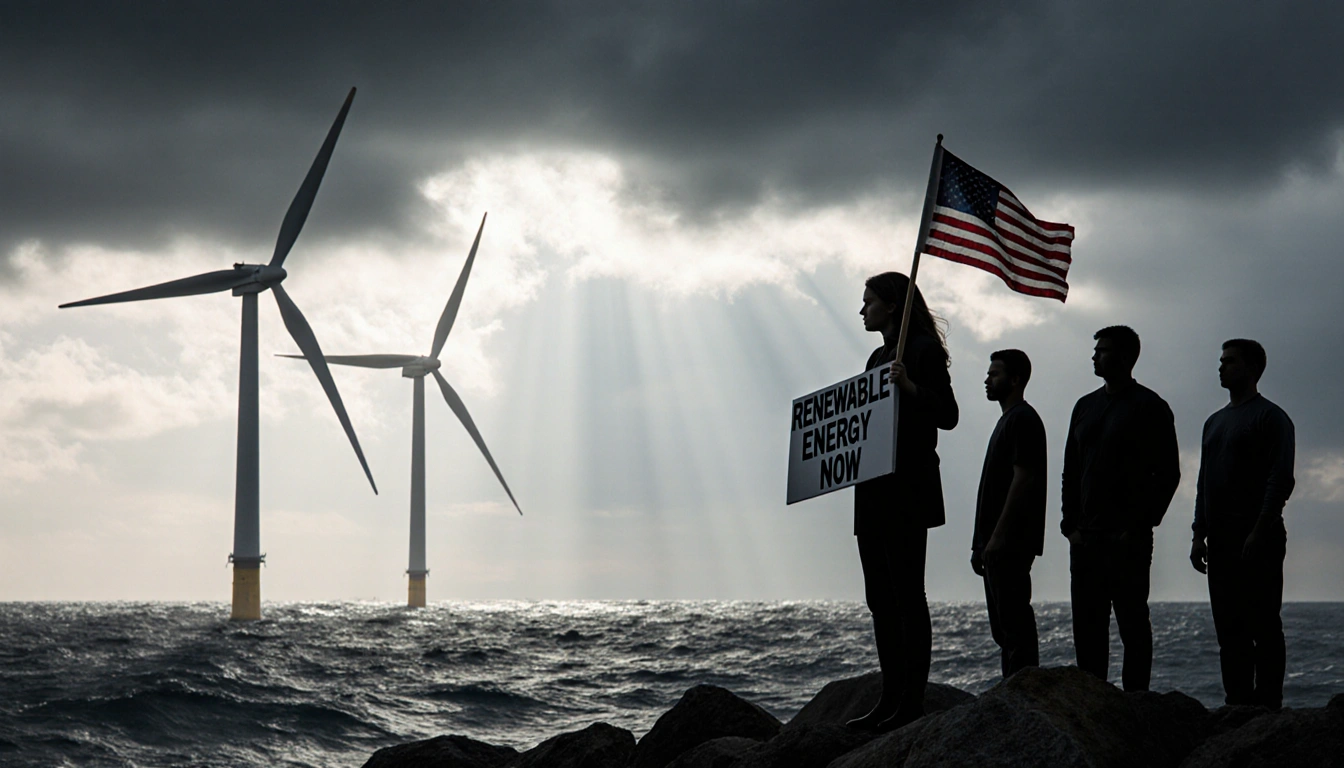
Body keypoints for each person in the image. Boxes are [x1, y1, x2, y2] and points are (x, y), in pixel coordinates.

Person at [847, 271, 959, 731]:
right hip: (872, 490)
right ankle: (890, 694)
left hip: (907, 488)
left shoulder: (922, 352)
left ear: (892, 305)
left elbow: (949, 415)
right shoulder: (877, 355)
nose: (862, 310)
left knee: (907, 595)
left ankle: (911, 701)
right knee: (879, 597)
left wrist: (912, 388)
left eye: (869, 301)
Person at [1061, 325, 1180, 691]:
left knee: (1132, 623)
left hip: (1126, 539)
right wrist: (1070, 525)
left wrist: (1140, 525)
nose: (1095, 356)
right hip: (1086, 539)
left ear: (1126, 357)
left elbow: (1169, 473)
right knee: (1087, 626)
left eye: (1104, 350)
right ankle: (1093, 700)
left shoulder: (1150, 406)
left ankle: (1136, 703)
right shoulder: (1084, 406)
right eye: (1096, 349)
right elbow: (1071, 468)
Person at [1190, 339, 1295, 709]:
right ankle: (1237, 704)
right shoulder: (1213, 422)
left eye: (1229, 361)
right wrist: (1197, 534)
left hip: (1258, 539)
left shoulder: (1271, 417)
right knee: (1229, 631)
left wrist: (1260, 529)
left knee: (1264, 626)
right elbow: (1204, 480)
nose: (1221, 367)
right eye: (1221, 361)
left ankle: (1268, 706)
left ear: (1251, 368)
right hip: (1219, 541)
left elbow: (1280, 479)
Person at [971, 349, 1046, 678]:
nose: (987, 380)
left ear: (1015, 379)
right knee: (1004, 628)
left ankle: (1024, 691)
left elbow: (1024, 477)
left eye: (995, 374)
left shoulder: (1022, 419)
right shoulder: (1007, 420)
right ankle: (1014, 687)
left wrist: (999, 537)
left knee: (1014, 625)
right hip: (995, 544)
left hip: (1011, 542)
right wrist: (980, 544)